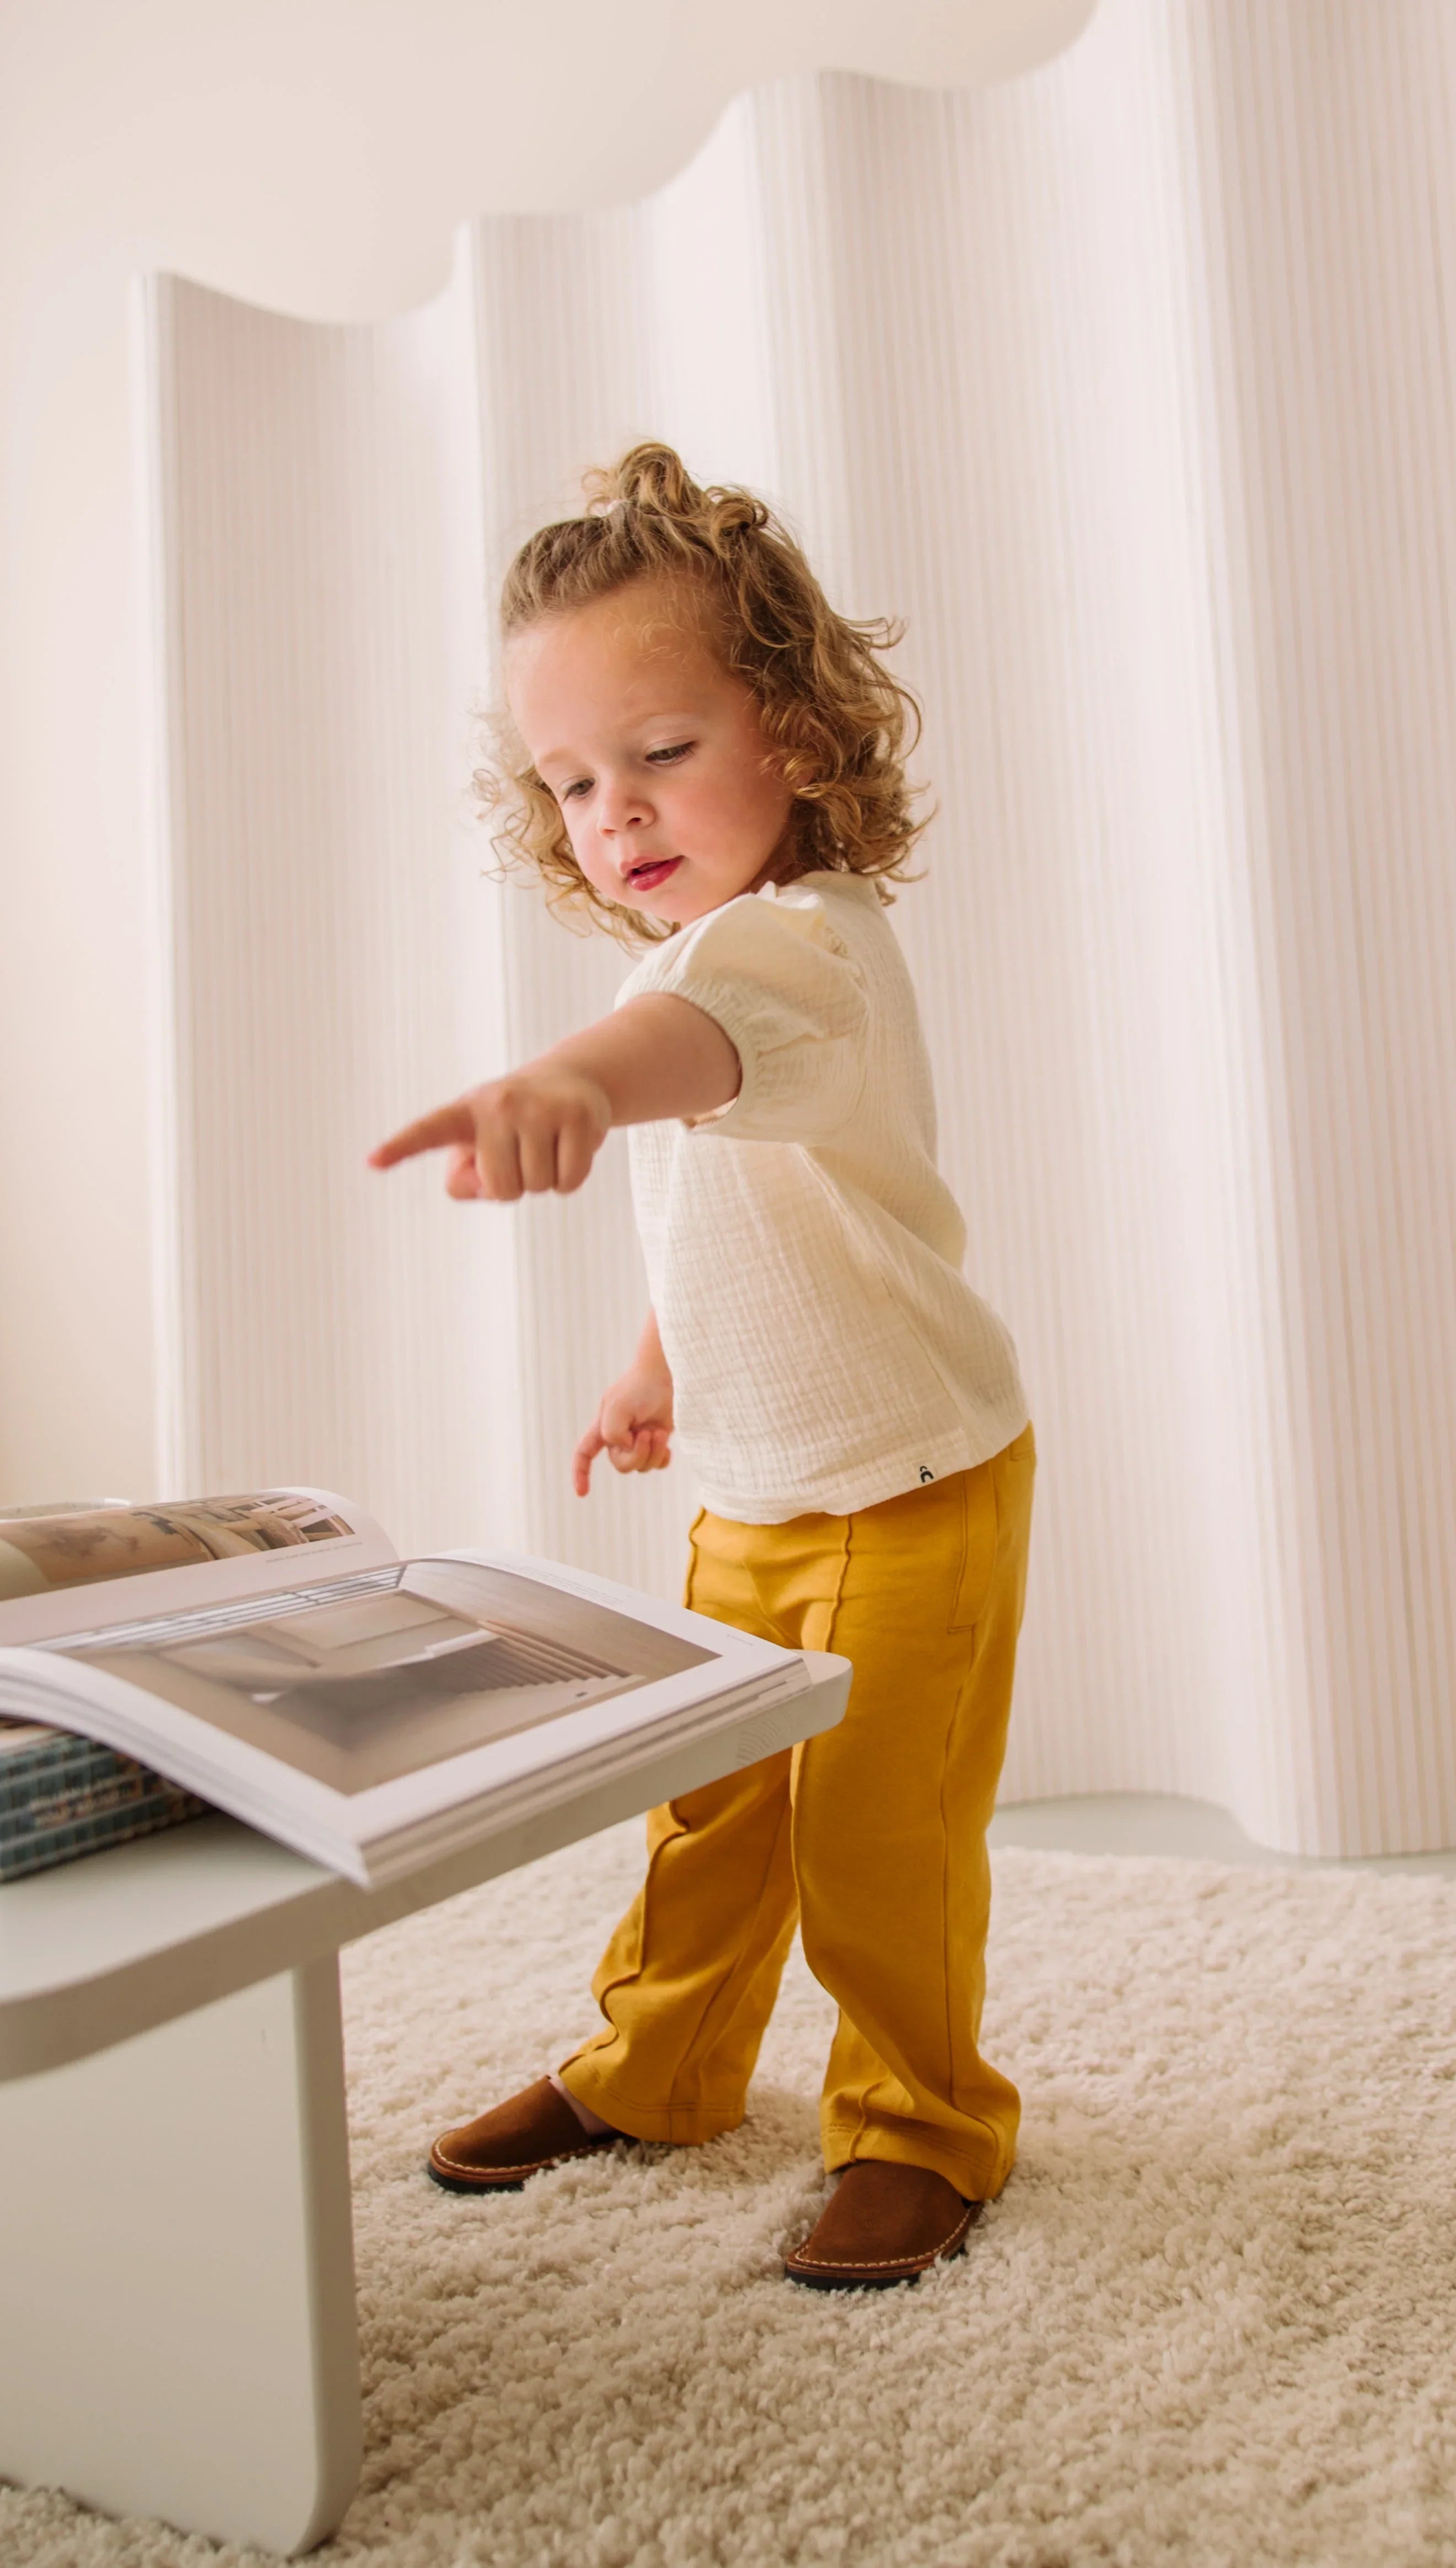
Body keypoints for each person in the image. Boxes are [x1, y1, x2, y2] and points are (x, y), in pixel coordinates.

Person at [370, 444, 1034, 2289]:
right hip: (761, 1475)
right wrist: (655, 1363)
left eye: (660, 753)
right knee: (713, 1805)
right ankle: (657, 2065)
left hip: (914, 1475)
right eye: (572, 780)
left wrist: (573, 1079)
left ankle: (920, 2119)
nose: (615, 810)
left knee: (877, 1835)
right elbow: (733, 1189)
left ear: (801, 738)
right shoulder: (703, 950)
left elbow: (690, 1049)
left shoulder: (793, 948)